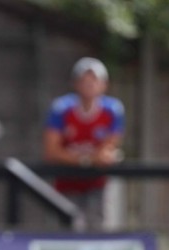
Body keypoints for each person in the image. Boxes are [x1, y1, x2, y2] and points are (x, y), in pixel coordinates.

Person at [43, 56, 125, 230]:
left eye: (94, 80)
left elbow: (107, 151)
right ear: (75, 83)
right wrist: (86, 160)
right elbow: (51, 151)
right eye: (84, 80)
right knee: (65, 232)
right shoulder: (61, 108)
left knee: (98, 230)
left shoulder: (112, 110)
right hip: (65, 185)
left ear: (104, 84)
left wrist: (90, 158)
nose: (89, 85)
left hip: (97, 185)